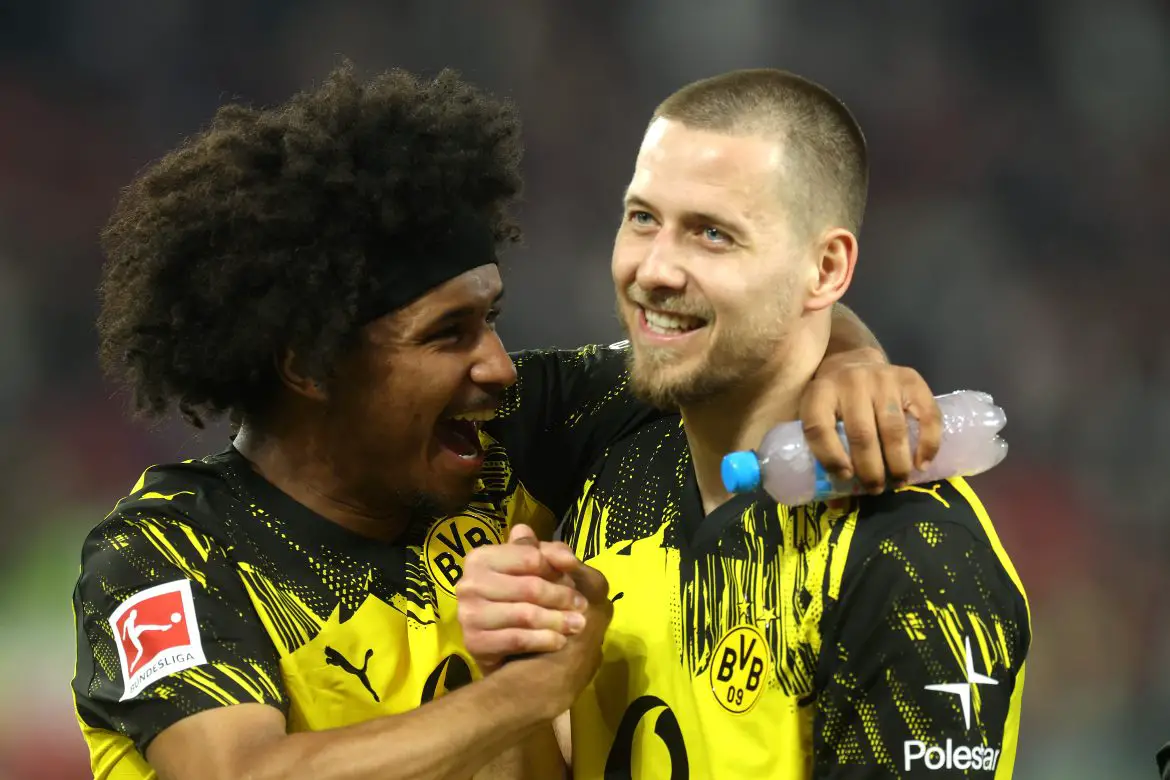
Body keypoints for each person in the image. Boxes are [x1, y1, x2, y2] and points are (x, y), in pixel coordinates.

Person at [72, 63, 943, 780]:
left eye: (489, 317)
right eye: (447, 335)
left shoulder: (509, 437)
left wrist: (853, 362)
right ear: (307, 363)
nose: (495, 364)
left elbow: (723, 337)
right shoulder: (171, 553)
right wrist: (526, 695)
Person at [457, 69, 1030, 778]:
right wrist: (516, 687)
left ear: (825, 269)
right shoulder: (615, 444)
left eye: (712, 235)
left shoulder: (913, 557)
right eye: (642, 218)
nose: (655, 269)